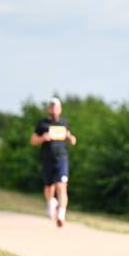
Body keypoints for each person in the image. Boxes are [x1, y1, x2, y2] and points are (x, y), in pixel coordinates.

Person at [30, 97, 77, 227]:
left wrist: (71, 138)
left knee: (62, 186)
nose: (54, 109)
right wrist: (42, 138)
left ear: (60, 109)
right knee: (49, 187)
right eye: (51, 107)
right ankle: (51, 202)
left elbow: (68, 135)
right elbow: (33, 140)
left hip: (61, 158)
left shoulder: (64, 123)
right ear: (48, 109)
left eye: (56, 107)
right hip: (47, 159)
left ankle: (61, 214)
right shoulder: (42, 124)